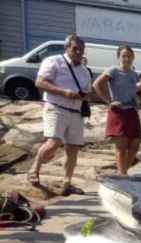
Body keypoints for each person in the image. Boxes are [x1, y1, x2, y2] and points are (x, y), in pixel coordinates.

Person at [26, 34, 92, 195]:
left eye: (81, 50)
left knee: (73, 149)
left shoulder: (84, 70)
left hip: (76, 112)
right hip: (56, 107)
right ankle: (34, 168)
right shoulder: (53, 61)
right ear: (67, 48)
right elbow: (39, 82)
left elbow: (88, 92)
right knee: (54, 142)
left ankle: (67, 183)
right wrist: (64, 92)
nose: (78, 52)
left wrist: (83, 96)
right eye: (75, 48)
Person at [92, 45, 141, 176]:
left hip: (132, 112)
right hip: (118, 112)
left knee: (135, 145)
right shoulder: (113, 70)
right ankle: (122, 174)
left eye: (129, 55)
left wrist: (137, 100)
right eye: (124, 55)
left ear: (133, 57)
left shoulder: (135, 75)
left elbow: (135, 91)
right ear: (118, 57)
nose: (127, 58)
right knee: (121, 146)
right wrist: (109, 101)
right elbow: (96, 84)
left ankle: (123, 171)